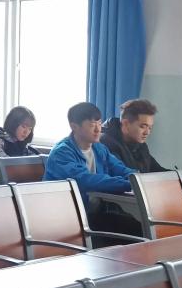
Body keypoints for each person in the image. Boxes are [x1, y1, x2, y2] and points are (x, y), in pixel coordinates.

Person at [45, 102, 138, 238]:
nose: (98, 129)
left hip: (94, 213)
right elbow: (85, 180)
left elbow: (119, 168)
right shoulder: (61, 153)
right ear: (74, 127)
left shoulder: (99, 148)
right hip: (68, 217)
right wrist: (129, 184)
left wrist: (137, 178)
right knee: (133, 233)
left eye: (99, 123)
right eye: (91, 125)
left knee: (137, 227)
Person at [100, 99, 168, 173]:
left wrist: (177, 175)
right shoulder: (107, 144)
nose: (147, 132)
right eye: (143, 126)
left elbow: (157, 170)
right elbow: (123, 175)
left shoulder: (140, 145)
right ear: (126, 124)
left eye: (150, 128)